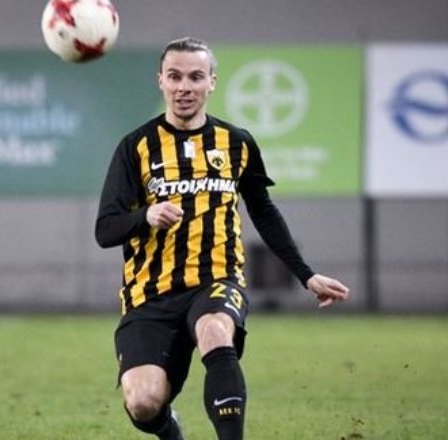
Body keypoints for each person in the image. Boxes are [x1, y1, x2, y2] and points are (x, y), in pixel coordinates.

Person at [94, 37, 350, 440]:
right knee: (143, 402)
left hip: (216, 280)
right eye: (175, 76)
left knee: (215, 330)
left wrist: (306, 275)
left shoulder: (237, 143)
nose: (184, 87)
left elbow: (264, 212)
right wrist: (146, 216)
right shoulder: (135, 146)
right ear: (160, 81)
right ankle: (169, 429)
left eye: (196, 77)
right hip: (150, 293)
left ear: (212, 82)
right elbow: (105, 229)